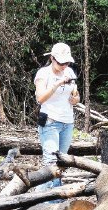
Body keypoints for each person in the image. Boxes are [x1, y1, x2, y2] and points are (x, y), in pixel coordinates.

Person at [34, 42, 80, 192]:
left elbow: (76, 96)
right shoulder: (43, 74)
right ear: (52, 58)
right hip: (50, 121)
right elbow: (40, 98)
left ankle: (54, 196)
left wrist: (75, 99)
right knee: (50, 162)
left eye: (67, 62)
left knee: (62, 161)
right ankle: (43, 199)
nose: (64, 65)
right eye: (61, 62)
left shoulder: (70, 73)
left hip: (67, 122)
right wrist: (57, 84)